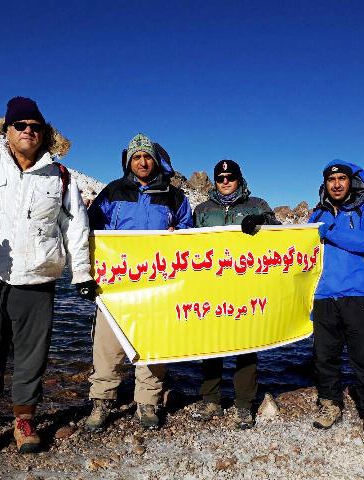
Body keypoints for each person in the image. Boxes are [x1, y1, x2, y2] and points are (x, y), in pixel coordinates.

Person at [0, 97, 95, 455]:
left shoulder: (60, 177)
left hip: (38, 280)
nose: (28, 131)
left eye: (35, 127)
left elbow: (76, 229)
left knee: (31, 355)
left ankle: (25, 419)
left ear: (45, 133)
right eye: (20, 125)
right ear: (6, 131)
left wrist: (81, 274)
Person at [86, 133, 193, 431]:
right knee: (108, 345)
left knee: (153, 342)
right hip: (117, 283)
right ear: (128, 161)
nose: (142, 162)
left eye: (147, 157)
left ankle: (148, 401)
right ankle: (102, 401)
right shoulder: (113, 192)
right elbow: (93, 227)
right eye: (136, 157)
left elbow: (189, 231)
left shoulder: (174, 196)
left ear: (155, 160)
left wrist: (178, 232)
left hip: (158, 284)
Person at [191, 159, 280, 429]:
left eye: (231, 177)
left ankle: (243, 405)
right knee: (211, 345)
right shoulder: (202, 210)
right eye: (220, 178)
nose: (226, 181)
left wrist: (263, 221)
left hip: (246, 287)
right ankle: (211, 400)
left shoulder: (257, 205)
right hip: (211, 287)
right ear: (215, 181)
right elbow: (187, 243)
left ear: (239, 179)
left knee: (246, 347)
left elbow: (280, 232)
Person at [308, 160, 364, 451]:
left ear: (351, 182)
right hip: (324, 297)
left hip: (359, 296)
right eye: (332, 180)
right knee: (324, 357)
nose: (337, 184)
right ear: (325, 184)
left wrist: (330, 232)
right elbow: (299, 250)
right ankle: (330, 404)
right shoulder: (316, 214)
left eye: (342, 179)